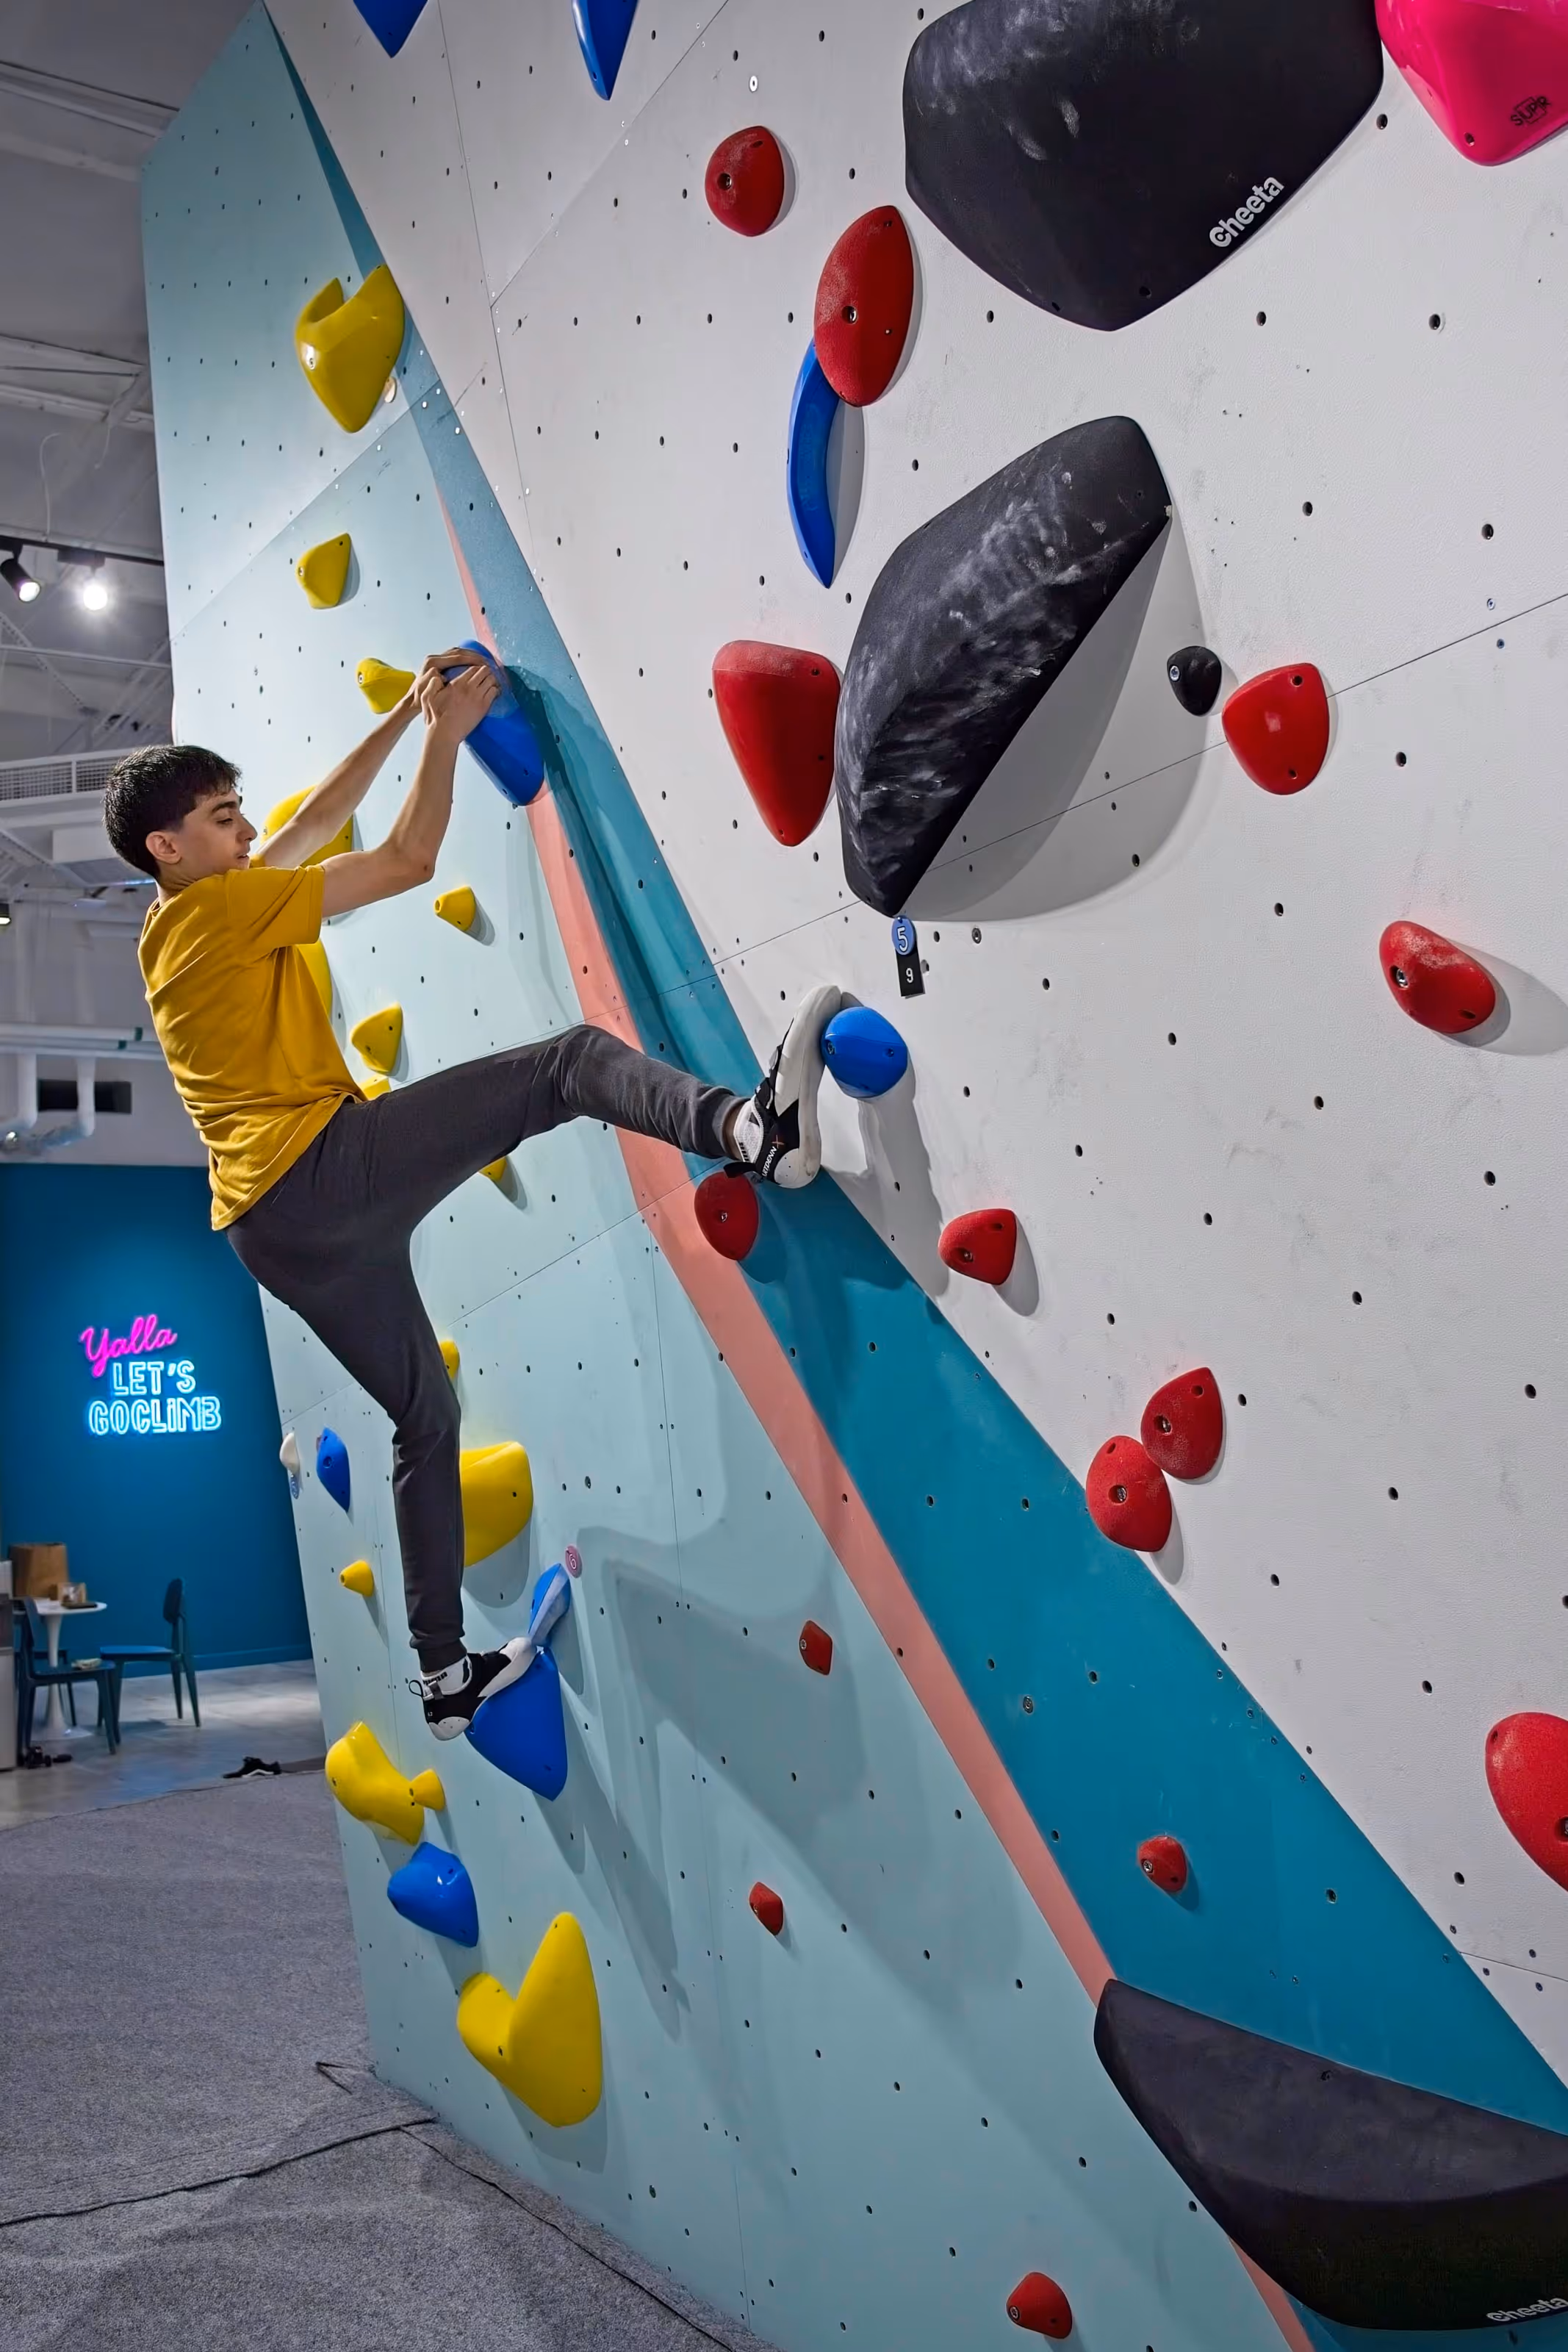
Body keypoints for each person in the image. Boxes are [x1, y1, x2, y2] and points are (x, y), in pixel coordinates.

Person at [104, 649, 839, 1740]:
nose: (248, 831)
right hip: (318, 1175)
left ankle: (443, 1674)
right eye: (223, 819)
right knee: (565, 1065)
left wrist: (408, 718)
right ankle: (752, 1129)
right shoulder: (216, 916)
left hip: (272, 1232)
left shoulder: (190, 916)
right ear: (169, 848)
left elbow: (315, 819)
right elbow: (403, 858)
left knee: (422, 1419)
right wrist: (448, 735)